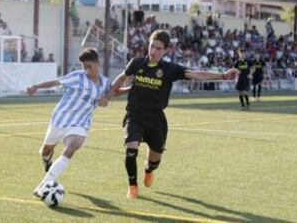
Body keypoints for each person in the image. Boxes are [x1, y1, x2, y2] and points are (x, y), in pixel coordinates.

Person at [107, 30, 238, 199]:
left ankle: (149, 170)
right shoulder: (137, 63)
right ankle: (132, 185)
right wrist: (108, 95)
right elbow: (121, 78)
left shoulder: (169, 69)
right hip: (135, 116)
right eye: (152, 46)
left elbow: (196, 74)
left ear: (165, 51)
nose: (153, 51)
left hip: (156, 120)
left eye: (158, 48)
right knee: (131, 149)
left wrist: (223, 75)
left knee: (155, 160)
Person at [27, 48, 125, 197]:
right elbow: (55, 82)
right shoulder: (78, 77)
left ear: (98, 64)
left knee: (73, 146)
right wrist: (36, 86)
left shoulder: (105, 82)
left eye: (89, 66)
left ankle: (43, 185)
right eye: (84, 67)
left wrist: (133, 88)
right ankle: (47, 160)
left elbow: (114, 91)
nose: (87, 69)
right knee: (46, 150)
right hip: (60, 120)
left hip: (80, 123)